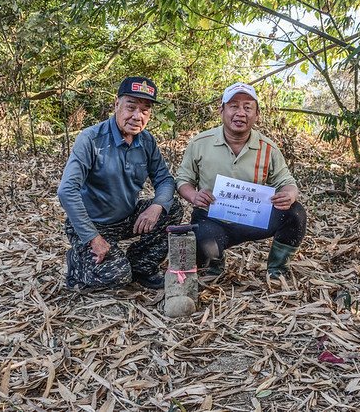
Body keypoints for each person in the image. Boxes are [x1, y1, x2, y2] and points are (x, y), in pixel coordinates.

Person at [58, 76, 183, 290]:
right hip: (93, 223)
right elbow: (66, 191)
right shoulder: (91, 139)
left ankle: (141, 265)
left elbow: (164, 180)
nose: (137, 116)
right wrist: (93, 238)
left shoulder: (146, 141)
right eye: (131, 107)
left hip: (126, 217)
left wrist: (156, 205)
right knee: (118, 277)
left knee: (172, 210)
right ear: (116, 105)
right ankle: (78, 263)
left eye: (145, 110)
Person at [175, 82, 307, 279]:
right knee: (202, 245)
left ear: (257, 114)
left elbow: (286, 181)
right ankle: (215, 264)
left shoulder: (268, 148)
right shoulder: (200, 143)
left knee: (295, 214)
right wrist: (194, 196)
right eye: (234, 106)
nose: (240, 113)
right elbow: (183, 180)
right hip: (212, 218)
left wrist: (289, 194)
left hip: (253, 218)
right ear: (222, 110)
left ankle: (277, 270)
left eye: (247, 107)